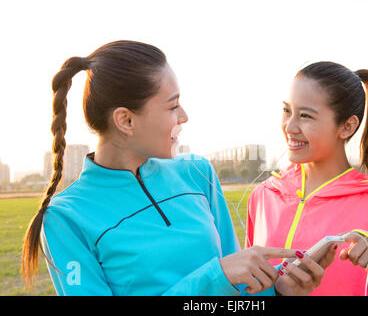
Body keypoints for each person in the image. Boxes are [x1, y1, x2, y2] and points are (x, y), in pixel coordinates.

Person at [21, 40, 335, 296]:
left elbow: (238, 293)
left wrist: (278, 292)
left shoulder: (197, 172)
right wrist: (216, 276)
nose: (183, 116)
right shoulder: (66, 217)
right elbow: (222, 278)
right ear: (126, 120)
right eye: (172, 106)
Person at [246, 61, 368, 295]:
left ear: (347, 127)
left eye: (306, 116)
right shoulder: (264, 196)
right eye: (287, 110)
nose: (290, 127)